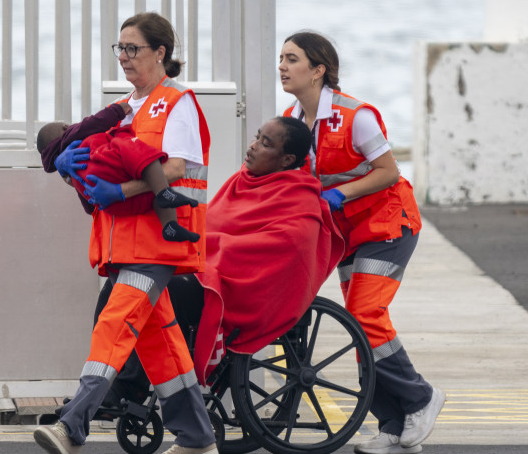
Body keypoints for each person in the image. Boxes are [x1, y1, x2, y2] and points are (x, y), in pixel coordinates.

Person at [33, 12, 218, 454]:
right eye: (119, 48)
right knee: (161, 344)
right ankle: (196, 439)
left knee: (113, 327)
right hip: (122, 240)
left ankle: (72, 424)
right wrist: (67, 167)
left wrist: (120, 189)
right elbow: (101, 159)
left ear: (161, 53)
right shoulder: (125, 105)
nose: (124, 57)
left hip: (158, 240)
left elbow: (175, 167)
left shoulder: (178, 101)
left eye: (132, 48)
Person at [94, 117, 345, 407]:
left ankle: (127, 389)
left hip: (238, 291)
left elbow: (282, 252)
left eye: (265, 144)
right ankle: (111, 384)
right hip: (206, 269)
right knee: (119, 285)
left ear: (287, 159)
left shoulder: (300, 200)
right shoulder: (242, 180)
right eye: (257, 137)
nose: (252, 147)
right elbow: (211, 225)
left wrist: (213, 250)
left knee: (149, 293)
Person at [279, 31, 445, 454]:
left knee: (365, 314)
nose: (282, 66)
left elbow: (388, 171)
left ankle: (420, 397)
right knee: (359, 325)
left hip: (389, 225)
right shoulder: (293, 120)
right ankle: (391, 425)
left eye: (292, 59)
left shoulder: (357, 116)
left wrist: (340, 194)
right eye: (281, 58)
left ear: (318, 70)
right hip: (349, 234)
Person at [37, 102, 200, 243]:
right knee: (132, 147)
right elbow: (94, 123)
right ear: (65, 128)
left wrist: (68, 177)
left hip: (113, 206)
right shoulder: (71, 134)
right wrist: (117, 111)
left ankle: (170, 228)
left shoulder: (69, 171)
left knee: (149, 199)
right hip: (107, 165)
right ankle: (164, 197)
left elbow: (89, 207)